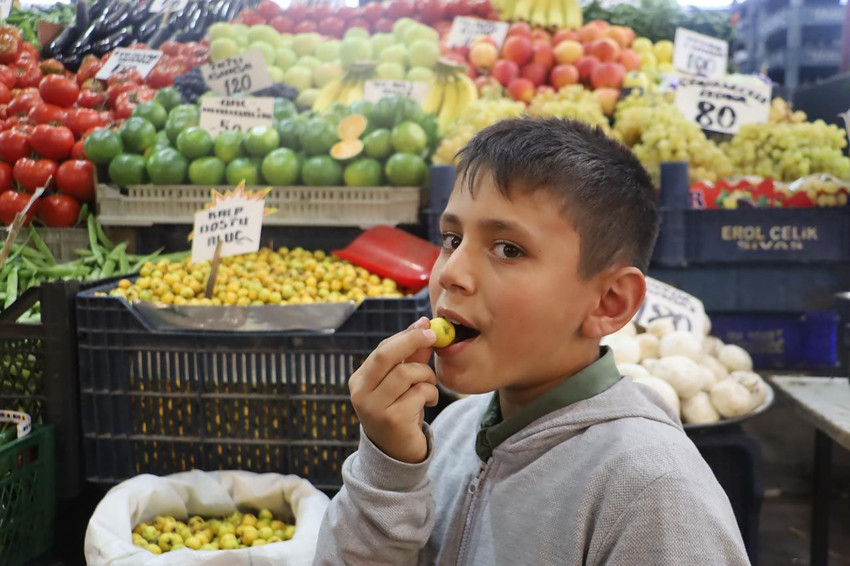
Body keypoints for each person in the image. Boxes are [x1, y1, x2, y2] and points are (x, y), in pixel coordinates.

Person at [313, 118, 750, 566]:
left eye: (508, 249)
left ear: (610, 302)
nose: (449, 274)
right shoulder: (450, 431)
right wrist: (388, 469)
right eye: (451, 239)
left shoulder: (656, 493)